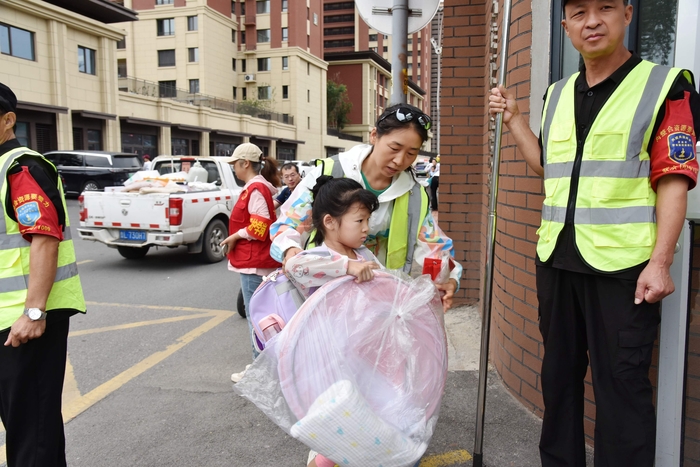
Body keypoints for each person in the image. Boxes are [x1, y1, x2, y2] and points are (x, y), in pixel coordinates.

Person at [488, 1, 700, 465]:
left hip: (624, 270)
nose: (593, 21)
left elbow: (674, 177)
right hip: (558, 261)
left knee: (621, 389)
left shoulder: (666, 86)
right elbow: (549, 167)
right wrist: (516, 120)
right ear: (565, 26)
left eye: (605, 7)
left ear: (627, 14)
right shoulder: (557, 93)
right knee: (558, 382)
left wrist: (660, 262)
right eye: (580, 11)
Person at [271, 103, 462, 313]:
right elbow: (287, 224)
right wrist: (291, 252)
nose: (400, 160)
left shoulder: (414, 194)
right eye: (394, 148)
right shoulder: (330, 171)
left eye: (411, 153)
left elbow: (435, 249)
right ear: (374, 136)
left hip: (382, 306)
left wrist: (449, 279)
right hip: (326, 303)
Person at [0, 82, 86, 466]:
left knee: (31, 429)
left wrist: (34, 312)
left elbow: (44, 239)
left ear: (7, 121)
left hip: (25, 322)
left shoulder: (20, 166)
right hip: (8, 318)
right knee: (24, 422)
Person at [220, 143, 281, 383]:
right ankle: (266, 367)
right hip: (257, 262)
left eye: (235, 163)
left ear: (246, 163)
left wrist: (235, 236)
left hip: (253, 263)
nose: (234, 168)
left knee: (256, 320)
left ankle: (259, 371)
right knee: (263, 318)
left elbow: (259, 226)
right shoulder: (259, 188)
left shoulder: (255, 189)